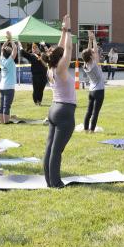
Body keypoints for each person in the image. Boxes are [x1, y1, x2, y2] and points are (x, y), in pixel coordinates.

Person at [43, 15, 75, 187]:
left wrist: (63, 30)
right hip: (64, 111)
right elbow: (68, 48)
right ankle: (56, 183)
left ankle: (49, 179)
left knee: (50, 147)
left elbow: (61, 48)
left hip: (55, 109)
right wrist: (69, 30)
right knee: (57, 150)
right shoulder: (61, 68)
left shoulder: (50, 67)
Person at [80, 30, 105, 133]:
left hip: (91, 91)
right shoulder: (95, 64)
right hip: (99, 91)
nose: (94, 53)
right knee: (95, 112)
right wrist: (94, 39)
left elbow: (89, 51)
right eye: (92, 54)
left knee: (89, 111)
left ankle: (86, 129)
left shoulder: (85, 64)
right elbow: (94, 50)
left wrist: (89, 40)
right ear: (91, 56)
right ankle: (92, 130)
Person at [0, 33, 17, 124]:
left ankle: (2, 121)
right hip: (9, 87)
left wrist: (7, 41)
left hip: (2, 86)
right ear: (9, 54)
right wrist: (11, 40)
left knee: (2, 105)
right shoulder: (10, 60)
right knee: (7, 106)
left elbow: (2, 49)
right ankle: (6, 122)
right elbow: (15, 49)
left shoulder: (2, 59)